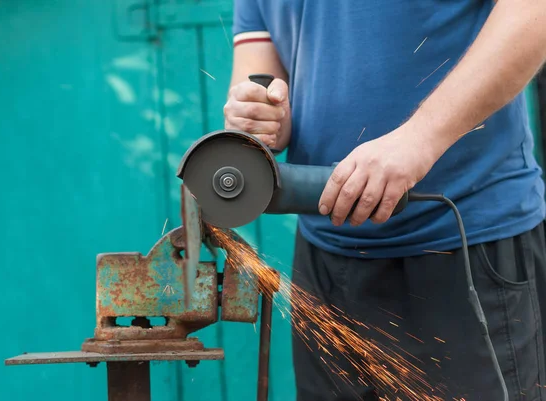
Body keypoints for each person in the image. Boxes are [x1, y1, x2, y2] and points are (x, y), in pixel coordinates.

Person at [224, 1, 546, 400]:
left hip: (463, 244)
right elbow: (266, 87)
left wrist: (419, 138)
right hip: (325, 261)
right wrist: (256, 115)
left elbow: (534, 14)